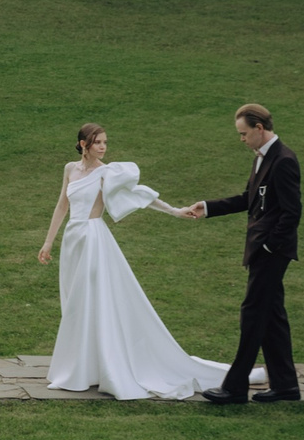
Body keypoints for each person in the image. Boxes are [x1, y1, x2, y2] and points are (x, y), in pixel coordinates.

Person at [35, 123, 226, 400]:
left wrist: (174, 211)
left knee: (88, 301)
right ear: (83, 144)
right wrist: (48, 241)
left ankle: (95, 369)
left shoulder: (107, 173)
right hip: (72, 241)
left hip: (93, 240)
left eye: (105, 142)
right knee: (73, 302)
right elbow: (62, 205)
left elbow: (140, 195)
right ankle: (82, 367)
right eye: (98, 142)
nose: (103, 147)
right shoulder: (69, 169)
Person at [189, 103, 304, 404]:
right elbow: (248, 199)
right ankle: (286, 385)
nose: (241, 139)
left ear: (259, 129)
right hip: (261, 249)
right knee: (272, 316)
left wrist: (270, 245)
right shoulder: (261, 159)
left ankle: (235, 387)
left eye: (243, 134)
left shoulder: (283, 161)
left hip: (270, 253)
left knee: (253, 315)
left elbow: (292, 213)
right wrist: (209, 207)